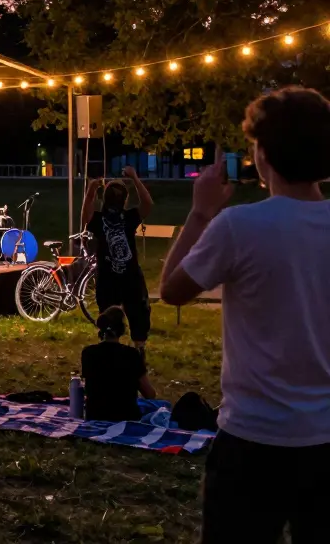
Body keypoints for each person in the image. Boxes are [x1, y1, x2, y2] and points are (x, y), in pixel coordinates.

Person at [160, 87, 330, 543]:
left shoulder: (240, 227)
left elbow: (171, 291)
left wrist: (199, 214)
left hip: (252, 442)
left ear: (261, 154)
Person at [82, 166, 153, 353]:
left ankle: (136, 352)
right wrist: (135, 179)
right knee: (114, 318)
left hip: (120, 278)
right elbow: (147, 204)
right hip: (116, 278)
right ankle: (117, 352)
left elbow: (85, 215)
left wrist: (91, 191)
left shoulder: (120, 218)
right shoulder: (121, 218)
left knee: (137, 314)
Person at [81, 307, 155, 422]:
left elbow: (89, 389)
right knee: (163, 406)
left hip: (95, 415)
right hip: (126, 417)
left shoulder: (88, 353)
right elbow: (150, 394)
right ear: (122, 328)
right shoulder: (132, 355)